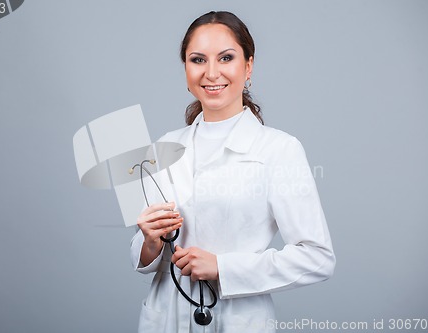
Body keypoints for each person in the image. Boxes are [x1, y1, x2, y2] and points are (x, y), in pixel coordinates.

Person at [130, 11, 335, 333]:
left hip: (239, 318)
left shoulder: (279, 149)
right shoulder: (164, 147)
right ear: (185, 68)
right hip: (164, 316)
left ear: (248, 66)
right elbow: (147, 256)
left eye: (226, 58)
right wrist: (150, 242)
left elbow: (318, 258)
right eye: (198, 59)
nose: (212, 73)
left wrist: (223, 268)